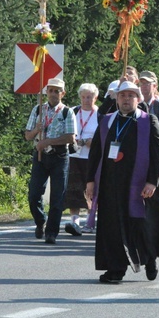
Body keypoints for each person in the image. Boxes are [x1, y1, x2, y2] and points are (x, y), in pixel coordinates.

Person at [85, 81, 159, 283]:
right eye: (123, 95)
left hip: (139, 185)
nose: (126, 99)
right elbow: (96, 152)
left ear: (138, 99)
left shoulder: (148, 121)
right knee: (111, 227)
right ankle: (116, 269)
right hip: (110, 184)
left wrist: (152, 181)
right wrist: (89, 181)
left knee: (141, 226)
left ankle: (149, 259)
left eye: (131, 96)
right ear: (117, 98)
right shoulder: (106, 121)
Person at [24, 78, 77, 244]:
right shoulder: (39, 109)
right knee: (34, 194)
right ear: (46, 92)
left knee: (57, 196)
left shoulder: (67, 112)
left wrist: (48, 141)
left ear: (63, 93)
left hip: (59, 156)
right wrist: (36, 130)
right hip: (40, 155)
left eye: (57, 91)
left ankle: (52, 232)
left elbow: (70, 137)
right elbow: (27, 135)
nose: (53, 94)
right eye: (51, 90)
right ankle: (40, 220)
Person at [65, 83, 100, 236]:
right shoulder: (72, 111)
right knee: (74, 188)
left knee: (91, 189)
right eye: (84, 97)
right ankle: (74, 221)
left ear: (95, 97)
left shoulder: (100, 115)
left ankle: (90, 220)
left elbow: (104, 136)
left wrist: (93, 141)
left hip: (92, 157)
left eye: (90, 97)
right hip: (73, 155)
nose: (86, 100)